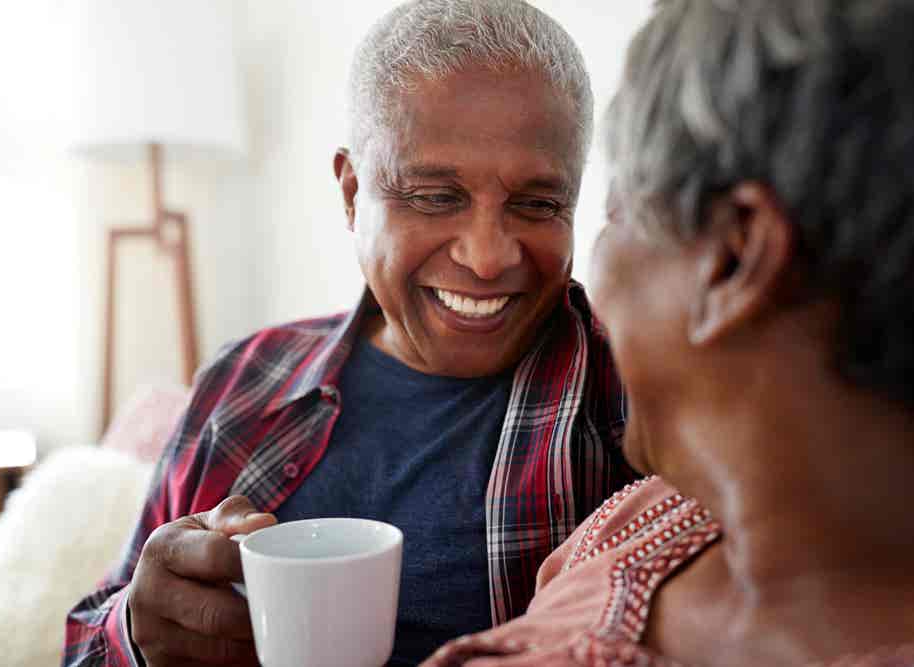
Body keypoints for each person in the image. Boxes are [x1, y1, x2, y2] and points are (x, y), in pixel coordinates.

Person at [63, 1, 637, 666]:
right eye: (433, 196)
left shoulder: (632, 388)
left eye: (537, 204)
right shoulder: (244, 379)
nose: (488, 256)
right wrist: (136, 628)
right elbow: (82, 639)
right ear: (351, 192)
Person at [422, 0, 914, 665]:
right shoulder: (629, 528)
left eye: (614, 215)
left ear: (733, 258)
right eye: (435, 195)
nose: (489, 258)